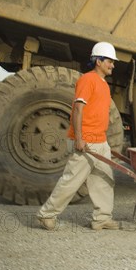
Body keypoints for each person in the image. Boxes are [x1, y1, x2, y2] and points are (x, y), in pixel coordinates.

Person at [37, 42, 120, 231]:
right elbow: (78, 110)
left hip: (100, 140)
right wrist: (80, 138)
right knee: (72, 180)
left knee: (104, 179)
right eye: (109, 61)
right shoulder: (87, 80)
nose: (112, 65)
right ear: (98, 61)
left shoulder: (103, 84)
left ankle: (102, 218)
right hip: (87, 140)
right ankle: (46, 215)